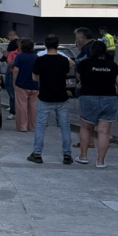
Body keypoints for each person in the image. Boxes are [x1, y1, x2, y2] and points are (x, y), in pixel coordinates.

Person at [75, 41, 118, 168]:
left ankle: (83, 156)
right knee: (104, 131)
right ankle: (101, 161)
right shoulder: (112, 65)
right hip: (109, 98)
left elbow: (79, 80)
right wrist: (117, 98)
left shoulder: (84, 64)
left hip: (88, 97)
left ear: (91, 50)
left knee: (86, 128)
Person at [27, 34, 75, 165]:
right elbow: (72, 63)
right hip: (62, 97)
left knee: (41, 126)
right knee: (65, 127)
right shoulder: (63, 60)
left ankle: (37, 153)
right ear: (58, 45)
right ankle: (67, 155)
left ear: (45, 45)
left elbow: (34, 78)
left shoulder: (41, 60)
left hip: (45, 96)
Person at [12, 38, 40, 132]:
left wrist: (14, 82)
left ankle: (22, 126)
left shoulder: (20, 57)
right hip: (35, 85)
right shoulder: (36, 57)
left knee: (22, 106)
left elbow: (16, 70)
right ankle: (33, 126)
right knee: (33, 107)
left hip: (22, 84)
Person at [4, 31, 19, 119]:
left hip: (12, 70)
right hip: (17, 70)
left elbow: (9, 61)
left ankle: (13, 110)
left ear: (11, 35)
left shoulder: (12, 44)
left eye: (8, 37)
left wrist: (6, 55)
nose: (8, 39)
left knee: (10, 88)